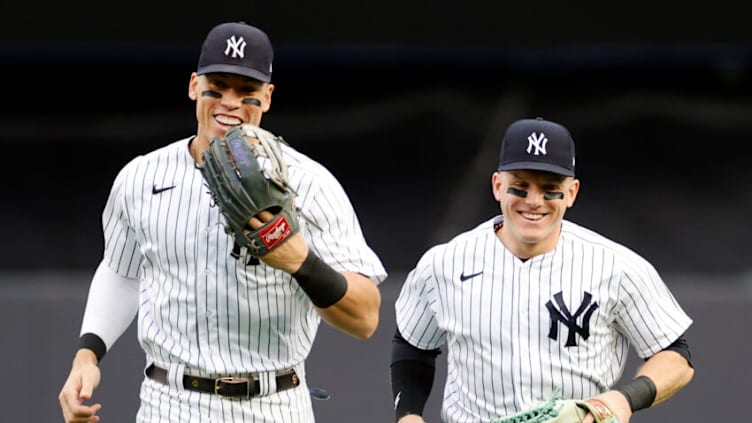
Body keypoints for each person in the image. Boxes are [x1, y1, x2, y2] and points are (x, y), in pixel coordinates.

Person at [58, 21, 386, 423]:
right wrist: (87, 354)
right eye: (219, 85)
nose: (231, 102)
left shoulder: (309, 184)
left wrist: (302, 263)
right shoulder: (140, 177)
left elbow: (366, 316)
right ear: (194, 85)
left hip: (273, 402)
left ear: (267, 96)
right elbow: (122, 273)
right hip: (169, 402)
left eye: (246, 92)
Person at [389, 117, 694, 423]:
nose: (534, 201)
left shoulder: (617, 267)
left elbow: (675, 355)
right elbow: (413, 345)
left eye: (550, 190)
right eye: (520, 187)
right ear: (498, 186)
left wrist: (624, 398)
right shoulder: (444, 263)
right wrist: (408, 415)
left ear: (572, 192)